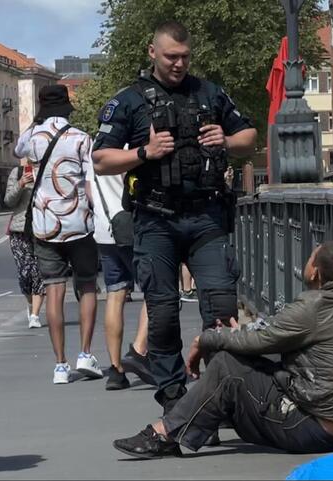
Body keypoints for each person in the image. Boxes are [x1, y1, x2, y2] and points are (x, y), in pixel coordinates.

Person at [92, 20, 257, 414]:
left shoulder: (209, 93)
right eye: (171, 57)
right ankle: (173, 400)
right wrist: (143, 153)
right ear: (152, 53)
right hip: (155, 218)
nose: (179, 64)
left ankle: (217, 400)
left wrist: (228, 141)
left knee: (221, 310)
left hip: (206, 217)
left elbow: (248, 137)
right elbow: (101, 159)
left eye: (184, 56)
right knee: (162, 314)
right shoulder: (129, 101)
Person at [113, 241, 333, 459]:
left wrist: (205, 339)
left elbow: (262, 340)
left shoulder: (316, 306)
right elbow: (272, 338)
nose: (306, 263)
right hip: (332, 423)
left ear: (316, 272)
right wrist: (236, 335)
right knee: (232, 352)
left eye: (309, 258)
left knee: (225, 364)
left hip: (312, 427)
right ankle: (200, 420)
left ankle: (163, 435)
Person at [15, 84, 103, 384]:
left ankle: (60, 365)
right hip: (79, 225)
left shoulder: (34, 139)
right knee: (87, 288)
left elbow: (18, 148)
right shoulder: (81, 139)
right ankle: (85, 354)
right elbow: (91, 180)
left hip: (45, 227)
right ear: (67, 107)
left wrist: (36, 120)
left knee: (54, 291)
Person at [90, 169, 155, 390]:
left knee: (115, 295)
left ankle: (116, 370)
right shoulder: (127, 143)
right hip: (131, 226)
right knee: (154, 290)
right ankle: (138, 350)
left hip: (104, 228)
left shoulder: (95, 148)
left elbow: (90, 189)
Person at [4, 157, 46, 329]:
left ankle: (35, 315)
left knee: (39, 273)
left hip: (42, 229)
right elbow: (9, 201)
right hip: (20, 231)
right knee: (25, 273)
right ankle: (30, 304)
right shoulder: (18, 172)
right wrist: (21, 183)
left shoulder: (48, 171)